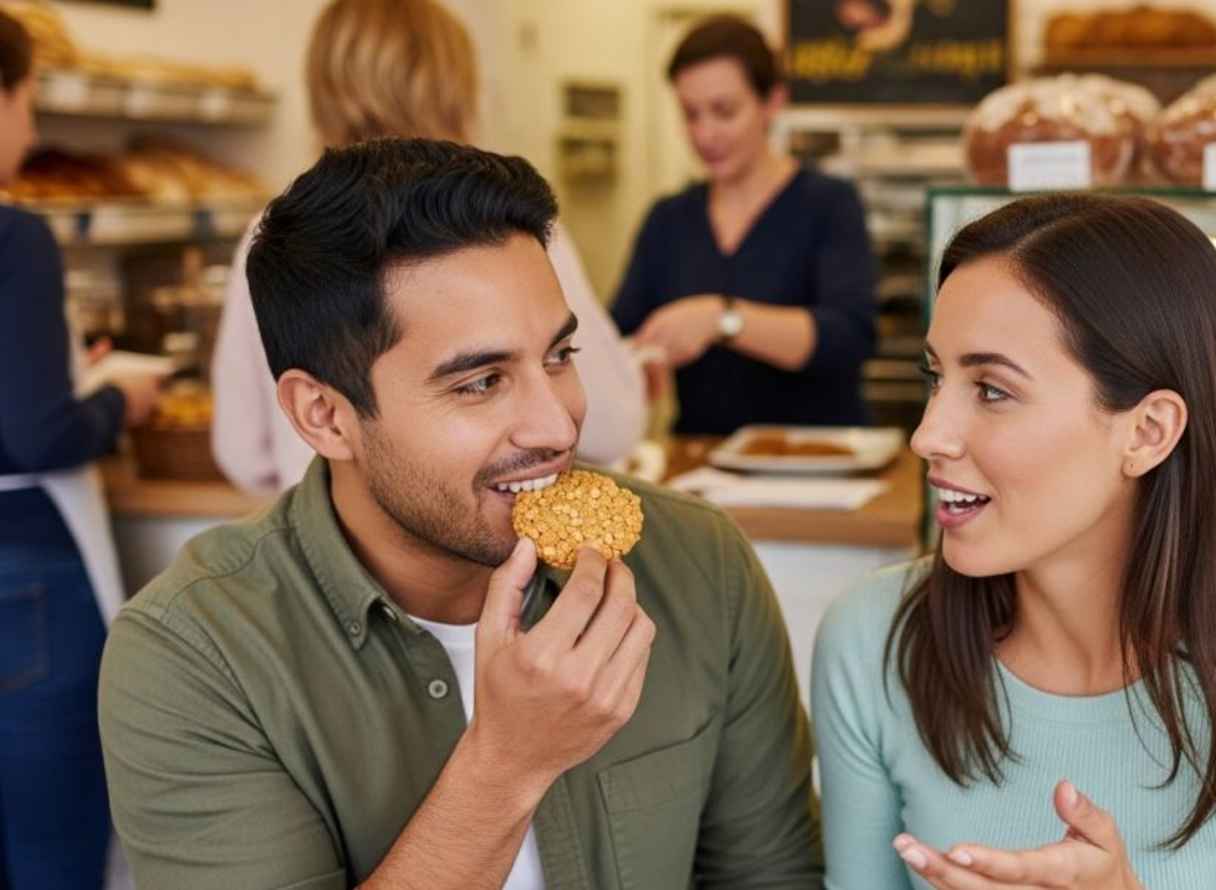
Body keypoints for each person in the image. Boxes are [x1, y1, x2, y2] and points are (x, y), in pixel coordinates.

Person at [99, 138, 822, 889]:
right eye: (480, 382)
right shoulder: (195, 656)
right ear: (324, 415)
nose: (556, 425)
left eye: (558, 356)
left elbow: (771, 877)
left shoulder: (699, 565)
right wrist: (509, 764)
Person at [813, 194, 1216, 890]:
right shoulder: (874, 638)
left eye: (992, 390)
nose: (928, 435)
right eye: (936, 379)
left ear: (1147, 431)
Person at [213, 0, 644, 494]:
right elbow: (615, 423)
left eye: (561, 355)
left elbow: (241, 450)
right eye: (478, 382)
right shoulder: (506, 233)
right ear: (455, 90)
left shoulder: (268, 239)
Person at [0, 10, 159, 890]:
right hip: (22, 574)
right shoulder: (15, 236)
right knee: (54, 855)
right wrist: (114, 400)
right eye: (28, 102)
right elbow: (37, 432)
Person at [612, 15, 876, 436]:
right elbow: (620, 333)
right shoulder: (668, 220)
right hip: (700, 464)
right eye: (691, 115)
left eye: (724, 111)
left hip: (819, 467)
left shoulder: (828, 204)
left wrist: (722, 319)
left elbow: (848, 338)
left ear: (772, 102)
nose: (705, 133)